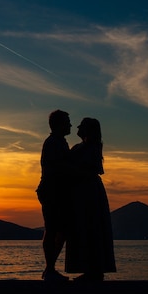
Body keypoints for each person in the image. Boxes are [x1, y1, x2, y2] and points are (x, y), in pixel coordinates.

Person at [65, 117, 116, 282]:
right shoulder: (81, 147)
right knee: (84, 228)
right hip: (81, 191)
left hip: (89, 192)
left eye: (82, 125)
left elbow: (89, 169)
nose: (78, 127)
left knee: (91, 227)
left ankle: (94, 271)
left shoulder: (92, 148)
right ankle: (89, 269)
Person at [36, 109, 72, 282]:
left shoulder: (59, 142)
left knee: (60, 229)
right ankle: (50, 270)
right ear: (59, 124)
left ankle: (49, 269)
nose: (70, 125)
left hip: (55, 191)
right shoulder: (53, 143)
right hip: (52, 191)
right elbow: (59, 168)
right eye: (67, 122)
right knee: (52, 229)